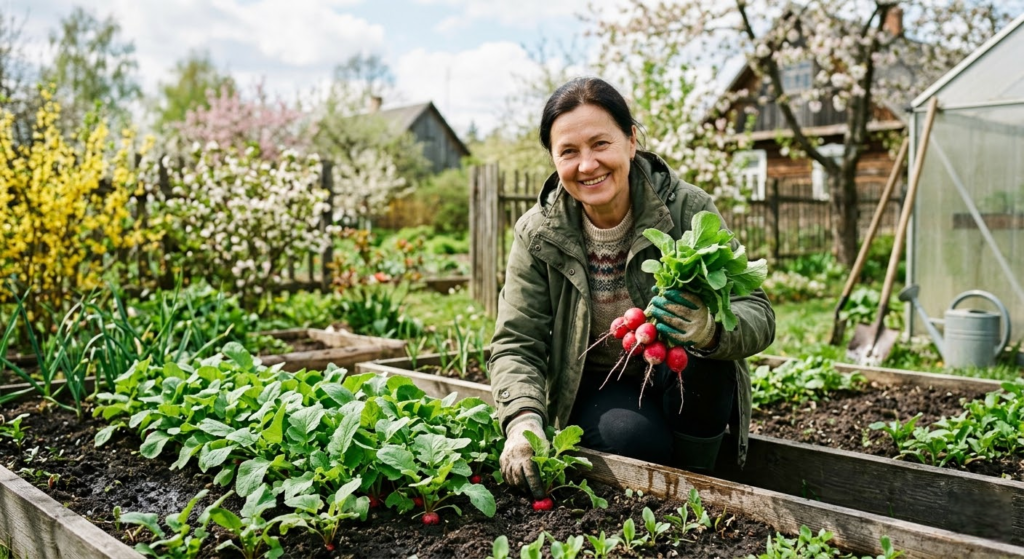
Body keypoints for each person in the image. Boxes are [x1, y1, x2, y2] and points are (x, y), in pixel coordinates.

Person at [488, 77, 775, 499]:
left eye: (600, 144)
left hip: (684, 372)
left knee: (708, 366)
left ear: (631, 140)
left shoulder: (686, 209)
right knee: (635, 443)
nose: (587, 165)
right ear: (553, 159)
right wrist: (523, 421)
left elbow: (758, 312)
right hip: (601, 382)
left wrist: (709, 329)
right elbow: (516, 341)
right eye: (569, 152)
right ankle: (666, 474)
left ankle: (704, 489)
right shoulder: (538, 233)